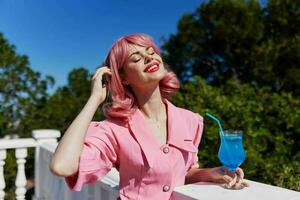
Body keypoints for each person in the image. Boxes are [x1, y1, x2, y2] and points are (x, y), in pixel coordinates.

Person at [49, 33, 249, 200]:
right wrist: (94, 99)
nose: (148, 57)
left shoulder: (190, 121)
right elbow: (62, 166)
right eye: (135, 58)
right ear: (124, 78)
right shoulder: (113, 129)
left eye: (151, 51)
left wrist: (212, 173)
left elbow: (182, 174)